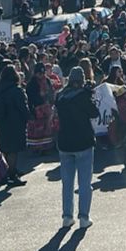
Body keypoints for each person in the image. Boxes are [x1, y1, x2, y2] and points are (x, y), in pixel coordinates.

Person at [55, 65, 99, 229]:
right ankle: (84, 217)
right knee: (85, 182)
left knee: (67, 182)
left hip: (65, 142)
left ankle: (67, 216)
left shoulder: (60, 96)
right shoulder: (83, 96)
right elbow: (94, 113)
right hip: (83, 141)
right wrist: (89, 94)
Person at [0, 64, 29, 186]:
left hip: (2, 123)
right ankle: (12, 175)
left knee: (6, 149)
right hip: (15, 123)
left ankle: (7, 173)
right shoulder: (17, 90)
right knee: (13, 150)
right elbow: (23, 107)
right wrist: (28, 117)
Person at [26, 61, 57, 152]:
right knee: (37, 130)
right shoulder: (31, 83)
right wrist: (32, 109)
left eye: (43, 73)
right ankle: (36, 148)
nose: (42, 75)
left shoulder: (47, 80)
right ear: (35, 73)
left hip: (47, 109)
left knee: (47, 128)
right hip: (36, 109)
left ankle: (47, 147)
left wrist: (51, 101)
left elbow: (51, 91)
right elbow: (30, 98)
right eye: (40, 73)